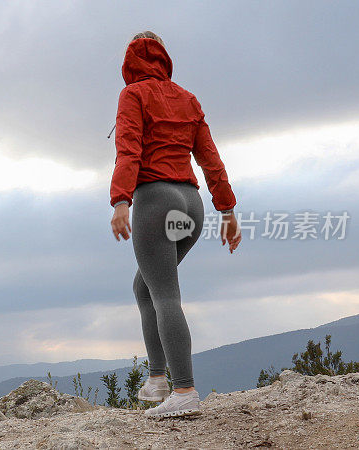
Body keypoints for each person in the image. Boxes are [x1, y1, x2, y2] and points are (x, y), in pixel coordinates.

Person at [109, 31, 241, 418]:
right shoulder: (188, 99)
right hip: (190, 207)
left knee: (165, 293)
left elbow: (129, 147)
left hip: (156, 202)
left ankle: (183, 390)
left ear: (130, 61)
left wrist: (120, 200)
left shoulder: (132, 95)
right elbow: (211, 160)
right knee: (145, 285)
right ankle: (157, 379)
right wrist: (228, 211)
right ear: (165, 59)